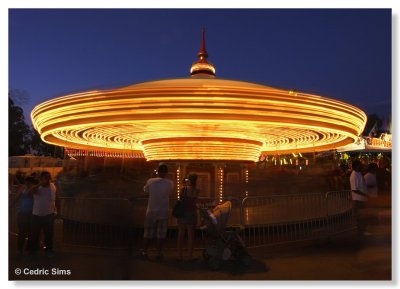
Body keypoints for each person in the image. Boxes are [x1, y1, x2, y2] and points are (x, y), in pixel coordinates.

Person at [141, 164, 174, 260]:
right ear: (166, 173)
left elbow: (145, 190)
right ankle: (159, 253)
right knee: (161, 233)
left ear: (158, 171)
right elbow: (170, 192)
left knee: (148, 232)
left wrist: (151, 177)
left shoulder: (150, 181)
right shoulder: (170, 183)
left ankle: (144, 251)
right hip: (163, 210)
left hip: (151, 210)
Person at [28, 171, 57, 257]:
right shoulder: (37, 188)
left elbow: (57, 198)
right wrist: (40, 184)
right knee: (34, 234)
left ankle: (49, 250)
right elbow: (30, 192)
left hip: (49, 214)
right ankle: (33, 250)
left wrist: (58, 211)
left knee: (49, 234)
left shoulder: (52, 186)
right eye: (45, 178)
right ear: (41, 179)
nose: (47, 179)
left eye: (48, 177)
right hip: (37, 215)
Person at [10, 176, 38, 255]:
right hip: (23, 213)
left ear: (31, 182)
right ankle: (20, 249)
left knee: (30, 233)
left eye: (28, 182)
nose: (26, 184)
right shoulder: (23, 188)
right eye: (26, 182)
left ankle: (27, 249)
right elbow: (17, 197)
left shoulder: (34, 189)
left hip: (31, 214)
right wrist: (11, 205)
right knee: (22, 232)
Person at [177, 173, 199, 261]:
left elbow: (180, 197)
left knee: (181, 234)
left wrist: (183, 183)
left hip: (183, 212)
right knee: (191, 235)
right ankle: (189, 255)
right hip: (192, 213)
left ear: (188, 180)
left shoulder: (183, 189)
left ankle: (179, 255)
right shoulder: (197, 190)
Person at [349, 160, 369, 236]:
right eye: (360, 165)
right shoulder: (354, 175)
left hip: (362, 198)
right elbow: (354, 189)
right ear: (357, 166)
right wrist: (364, 194)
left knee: (362, 215)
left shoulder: (359, 173)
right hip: (358, 199)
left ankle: (363, 230)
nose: (362, 166)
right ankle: (361, 231)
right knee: (359, 216)